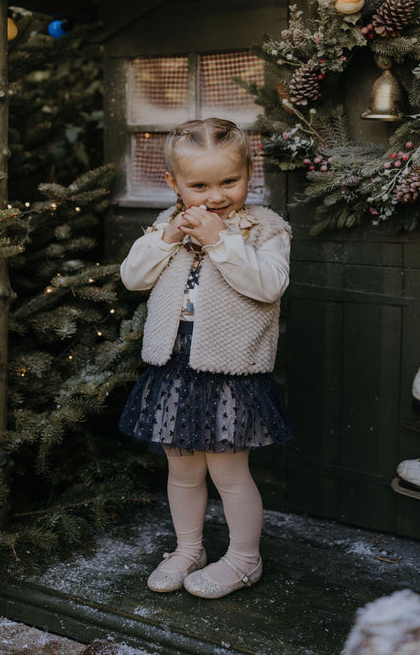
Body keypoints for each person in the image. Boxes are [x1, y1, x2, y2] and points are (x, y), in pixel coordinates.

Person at [119, 117, 294, 599]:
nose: (215, 196)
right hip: (173, 365)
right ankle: (189, 548)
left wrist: (220, 240)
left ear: (249, 174)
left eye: (229, 182)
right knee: (182, 469)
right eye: (199, 185)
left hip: (229, 370)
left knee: (229, 472)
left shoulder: (266, 229)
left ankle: (244, 559)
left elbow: (268, 285)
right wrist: (169, 237)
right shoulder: (166, 226)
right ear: (174, 184)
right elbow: (132, 278)